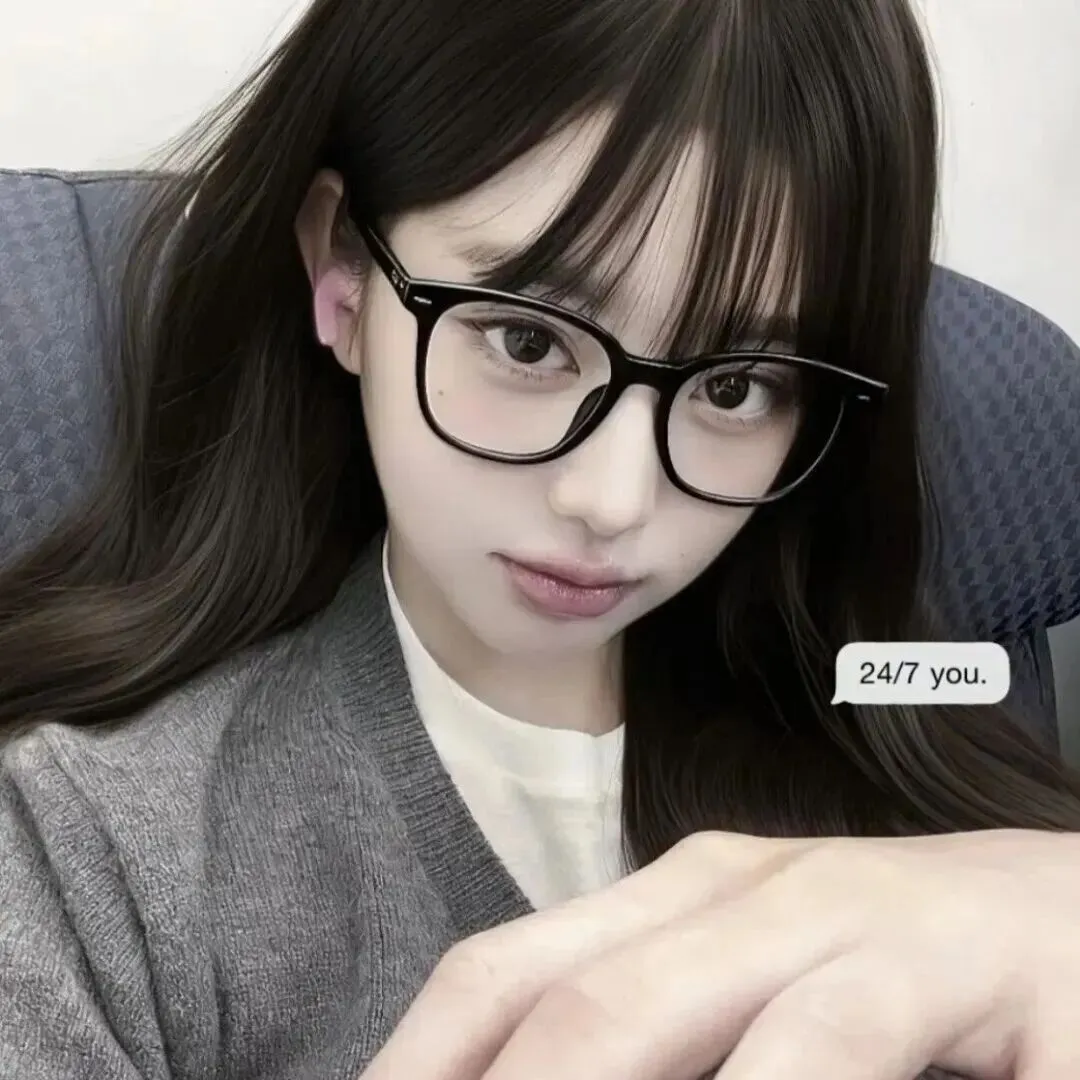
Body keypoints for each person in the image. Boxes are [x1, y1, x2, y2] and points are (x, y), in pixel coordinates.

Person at [2, 0, 1079, 1076]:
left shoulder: (912, 732)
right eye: (526, 341)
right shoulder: (92, 861)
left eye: (738, 386)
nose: (615, 500)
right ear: (344, 273)